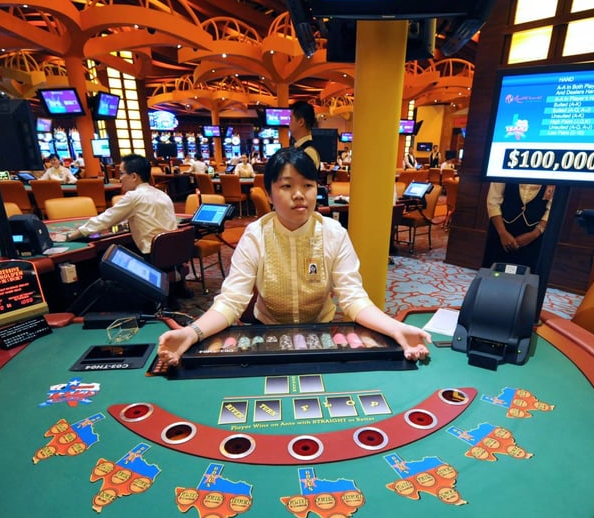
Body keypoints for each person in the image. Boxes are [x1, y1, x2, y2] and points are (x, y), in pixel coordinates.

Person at [156, 147, 431, 367]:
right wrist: (191, 333)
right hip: (266, 334)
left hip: (321, 334)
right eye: (287, 186)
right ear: (270, 193)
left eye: (308, 185)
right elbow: (231, 302)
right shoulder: (256, 235)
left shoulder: (333, 233)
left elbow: (354, 299)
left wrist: (395, 328)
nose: (299, 195)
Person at [53, 153, 177, 258]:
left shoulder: (133, 196)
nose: (120, 178)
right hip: (173, 252)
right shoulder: (162, 194)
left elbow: (104, 221)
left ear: (134, 176)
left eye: (122, 173)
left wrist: (69, 236)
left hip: (151, 255)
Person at [482, 182, 553, 271]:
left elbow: (552, 209)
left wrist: (534, 234)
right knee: (492, 270)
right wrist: (502, 233)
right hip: (501, 227)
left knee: (526, 274)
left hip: (534, 232)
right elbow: (493, 201)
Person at [289, 101, 320, 169]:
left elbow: (299, 179)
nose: (289, 123)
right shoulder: (298, 148)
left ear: (301, 122)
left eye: (291, 119)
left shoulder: (308, 152)